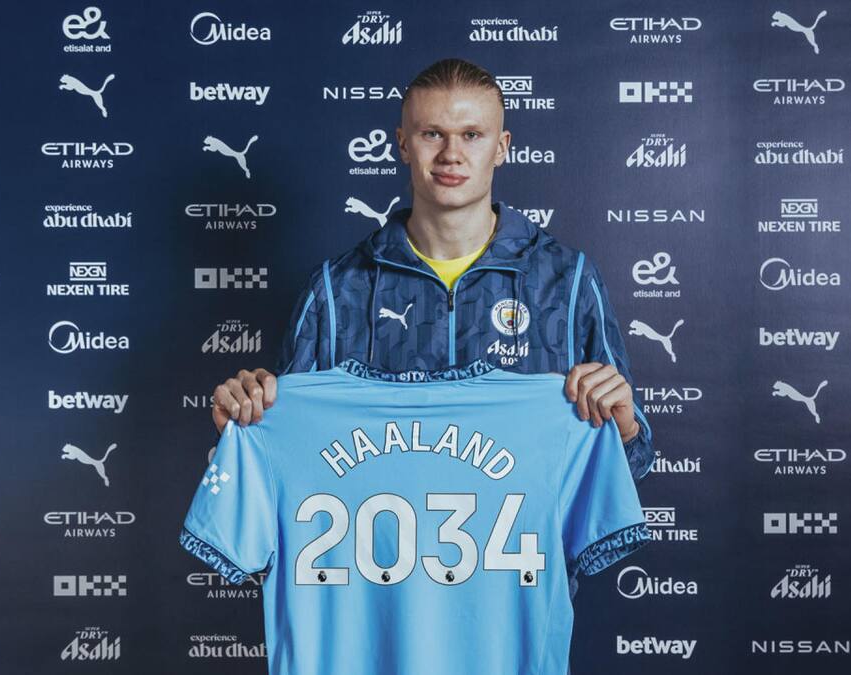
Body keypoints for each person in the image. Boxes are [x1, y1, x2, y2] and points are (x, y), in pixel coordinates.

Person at [209, 57, 655, 480]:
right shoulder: (336, 288)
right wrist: (246, 421)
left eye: (472, 135)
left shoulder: (567, 280)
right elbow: (290, 456)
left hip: (527, 559)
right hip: (379, 558)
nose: (451, 154)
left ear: (501, 148)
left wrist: (627, 429)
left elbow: (633, 464)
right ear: (403, 143)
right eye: (432, 134)